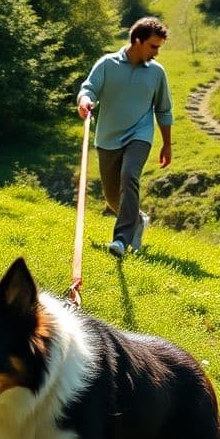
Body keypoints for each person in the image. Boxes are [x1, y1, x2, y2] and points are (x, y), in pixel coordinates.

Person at [77, 17, 173, 258]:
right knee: (111, 196)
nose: (156, 52)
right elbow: (88, 89)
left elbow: (163, 109)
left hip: (139, 135)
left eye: (159, 47)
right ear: (137, 41)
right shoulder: (107, 64)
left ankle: (121, 239)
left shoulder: (156, 73)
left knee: (129, 176)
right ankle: (137, 219)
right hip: (108, 138)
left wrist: (167, 144)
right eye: (153, 46)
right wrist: (84, 101)